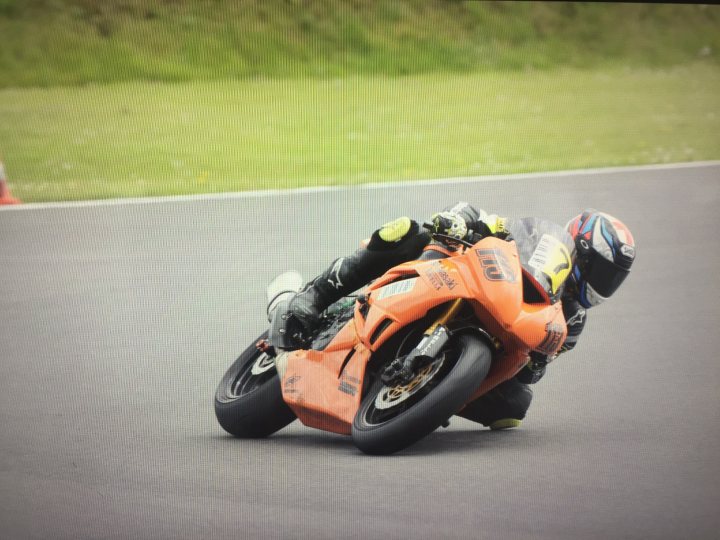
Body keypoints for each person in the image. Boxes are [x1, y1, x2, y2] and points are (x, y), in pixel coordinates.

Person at [271, 202, 636, 430]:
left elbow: (534, 370)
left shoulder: (572, 321)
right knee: (407, 231)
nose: (603, 284)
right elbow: (478, 215)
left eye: (612, 279)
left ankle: (428, 393)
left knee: (514, 409)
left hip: (493, 338)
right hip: (456, 280)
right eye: (601, 271)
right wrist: (460, 220)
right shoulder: (537, 242)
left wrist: (537, 363)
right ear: (581, 252)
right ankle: (313, 296)